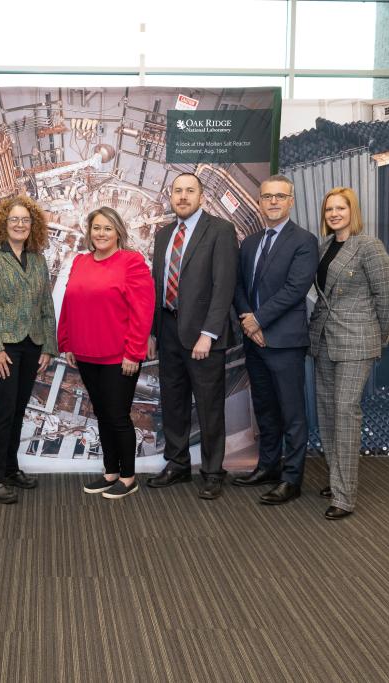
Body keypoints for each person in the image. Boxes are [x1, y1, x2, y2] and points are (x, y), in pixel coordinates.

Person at [147, 172, 238, 499]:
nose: (182, 196)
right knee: (173, 402)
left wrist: (209, 334)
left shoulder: (220, 231)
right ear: (170, 197)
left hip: (202, 335)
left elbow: (223, 286)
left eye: (189, 191)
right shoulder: (163, 235)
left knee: (209, 406)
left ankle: (213, 471)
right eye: (177, 191)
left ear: (201, 197)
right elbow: (158, 286)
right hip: (168, 329)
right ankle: (177, 464)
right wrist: (154, 332)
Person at [308, 187, 389, 520]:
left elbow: (387, 297)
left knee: (345, 413)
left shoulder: (368, 246)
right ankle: (336, 479)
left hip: (356, 342)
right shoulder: (324, 246)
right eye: (329, 209)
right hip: (325, 341)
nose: (334, 214)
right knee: (328, 412)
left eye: (340, 208)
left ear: (352, 211)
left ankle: (345, 496)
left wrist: (378, 337)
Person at [232, 175, 318, 505]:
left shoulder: (303, 241)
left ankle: (292, 478)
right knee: (264, 408)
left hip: (284, 341)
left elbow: (295, 290)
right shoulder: (251, 242)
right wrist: (248, 321)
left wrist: (259, 320)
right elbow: (239, 286)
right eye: (267, 197)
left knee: (292, 412)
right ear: (259, 201)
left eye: (280, 197)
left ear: (290, 201)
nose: (273, 202)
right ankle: (267, 465)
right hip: (255, 340)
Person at [58, 207, 154, 500]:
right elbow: (70, 303)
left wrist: (134, 352)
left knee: (117, 416)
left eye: (107, 228)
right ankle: (110, 471)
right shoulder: (80, 262)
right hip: (86, 353)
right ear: (89, 232)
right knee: (101, 414)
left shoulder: (131, 262)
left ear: (118, 233)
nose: (101, 234)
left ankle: (128, 478)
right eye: (96, 228)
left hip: (118, 356)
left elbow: (142, 310)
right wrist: (67, 342)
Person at [0, 195, 57, 504]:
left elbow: (46, 305)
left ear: (32, 225)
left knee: (19, 411)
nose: (20, 225)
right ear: (3, 224)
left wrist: (48, 345)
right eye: (14, 220)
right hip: (4, 347)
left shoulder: (37, 259)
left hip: (32, 345)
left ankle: (10, 468)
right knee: (4, 411)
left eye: (25, 220)